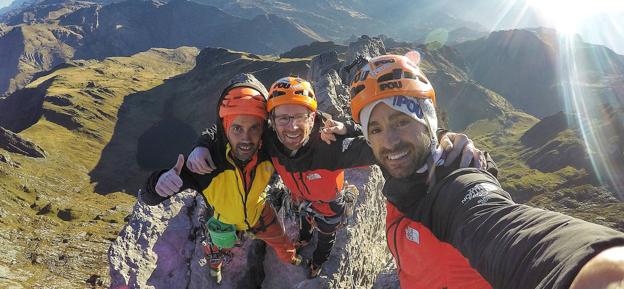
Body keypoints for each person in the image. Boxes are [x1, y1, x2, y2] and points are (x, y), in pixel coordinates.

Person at [348, 51, 624, 289]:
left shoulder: (455, 183)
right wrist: (339, 130)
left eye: (401, 121)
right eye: (376, 128)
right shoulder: (398, 164)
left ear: (427, 122)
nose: (390, 141)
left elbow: (497, 221)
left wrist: (592, 265)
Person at [187, 76, 483, 279]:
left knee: (326, 235)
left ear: (313, 118)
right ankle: (304, 240)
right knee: (305, 226)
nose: (291, 127)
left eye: (300, 117)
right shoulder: (269, 143)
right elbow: (230, 129)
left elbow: (386, 145)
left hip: (329, 205)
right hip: (302, 201)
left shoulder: (333, 148)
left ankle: (316, 261)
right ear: (272, 122)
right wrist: (201, 144)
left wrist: (438, 137)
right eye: (283, 118)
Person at [141, 74, 301, 284]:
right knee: (216, 250)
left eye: (254, 128)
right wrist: (159, 183)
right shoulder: (205, 164)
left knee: (281, 242)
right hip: (225, 222)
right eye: (237, 128)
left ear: (264, 129)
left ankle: (291, 258)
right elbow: (149, 198)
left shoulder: (269, 150)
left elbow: (301, 137)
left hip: (259, 213)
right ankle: (215, 267)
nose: (246, 138)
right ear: (225, 129)